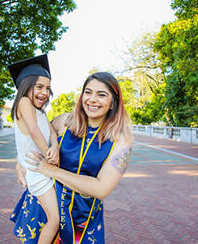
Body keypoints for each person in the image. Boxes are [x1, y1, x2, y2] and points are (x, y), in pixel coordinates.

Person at [10, 72, 133, 244]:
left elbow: (101, 189)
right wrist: (20, 162)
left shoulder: (121, 139)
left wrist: (51, 170)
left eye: (102, 95)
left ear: (113, 102)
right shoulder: (65, 121)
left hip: (82, 216)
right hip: (45, 207)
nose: (92, 99)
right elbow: (33, 138)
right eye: (88, 92)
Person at [7, 54, 60, 244]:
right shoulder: (23, 103)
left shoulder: (41, 112)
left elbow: (52, 132)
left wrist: (54, 146)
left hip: (44, 170)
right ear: (26, 86)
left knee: (47, 219)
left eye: (48, 88)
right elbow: (34, 131)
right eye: (39, 87)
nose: (45, 92)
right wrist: (49, 155)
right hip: (37, 172)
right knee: (54, 220)